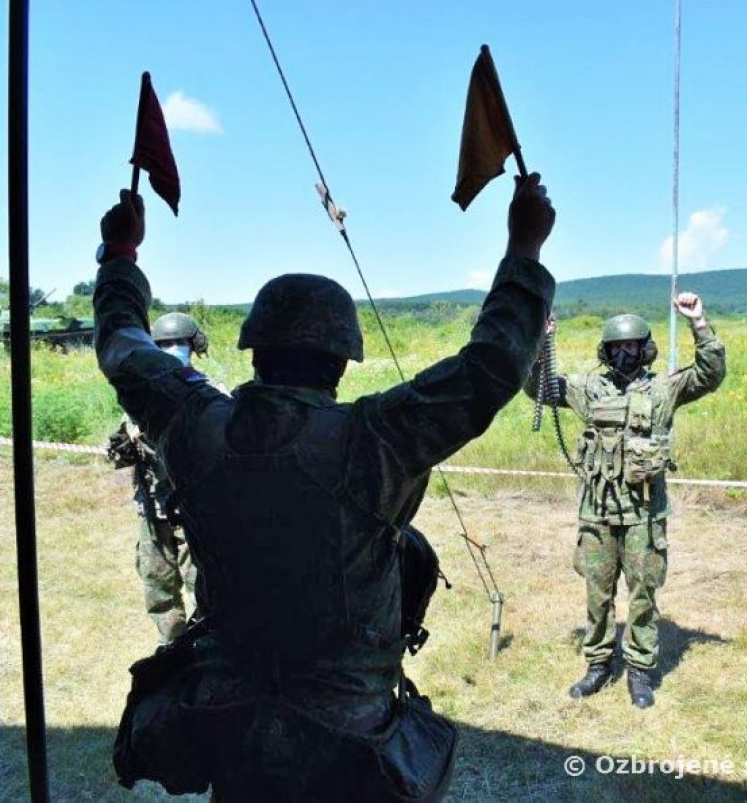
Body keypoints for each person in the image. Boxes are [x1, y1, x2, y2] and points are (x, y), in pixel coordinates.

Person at [94, 174, 556, 801]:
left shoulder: (193, 424)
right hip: (348, 739)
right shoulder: (376, 440)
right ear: (342, 360)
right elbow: (491, 367)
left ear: (254, 349)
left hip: (231, 724)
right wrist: (524, 249)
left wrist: (120, 256)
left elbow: (123, 343)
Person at [526, 296, 725, 708]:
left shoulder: (664, 388)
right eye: (616, 346)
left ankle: (639, 671)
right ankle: (598, 664)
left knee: (642, 593)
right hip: (597, 512)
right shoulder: (588, 389)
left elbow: (710, 374)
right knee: (597, 593)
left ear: (644, 347)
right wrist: (541, 342)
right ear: (606, 350)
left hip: (643, 515)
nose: (623, 352)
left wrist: (699, 323)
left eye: (630, 345)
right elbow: (538, 389)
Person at [106, 312, 214, 644]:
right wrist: (123, 445)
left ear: (194, 346)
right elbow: (123, 454)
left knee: (205, 586)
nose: (172, 349)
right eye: (164, 344)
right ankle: (173, 649)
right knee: (157, 585)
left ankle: (207, 650)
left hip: (195, 511)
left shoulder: (210, 393)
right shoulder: (143, 398)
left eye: (178, 342)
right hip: (152, 509)